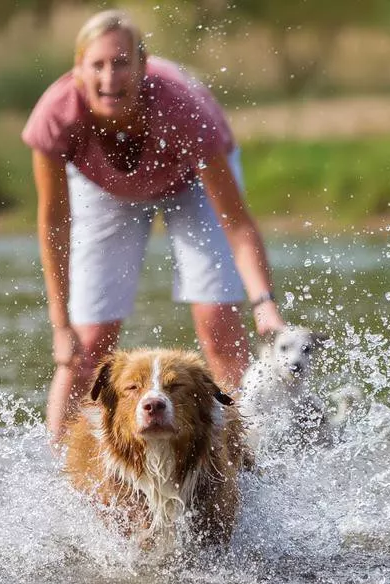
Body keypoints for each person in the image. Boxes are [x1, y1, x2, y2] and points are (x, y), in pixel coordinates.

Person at [22, 9, 285, 442]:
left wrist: (265, 305)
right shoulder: (55, 116)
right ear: (78, 71)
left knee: (215, 318)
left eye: (122, 62)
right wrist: (59, 326)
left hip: (189, 183)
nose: (110, 76)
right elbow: (54, 226)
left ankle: (242, 447)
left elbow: (237, 224)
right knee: (87, 345)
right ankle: (61, 471)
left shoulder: (183, 108)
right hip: (105, 189)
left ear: (143, 67)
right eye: (98, 65)